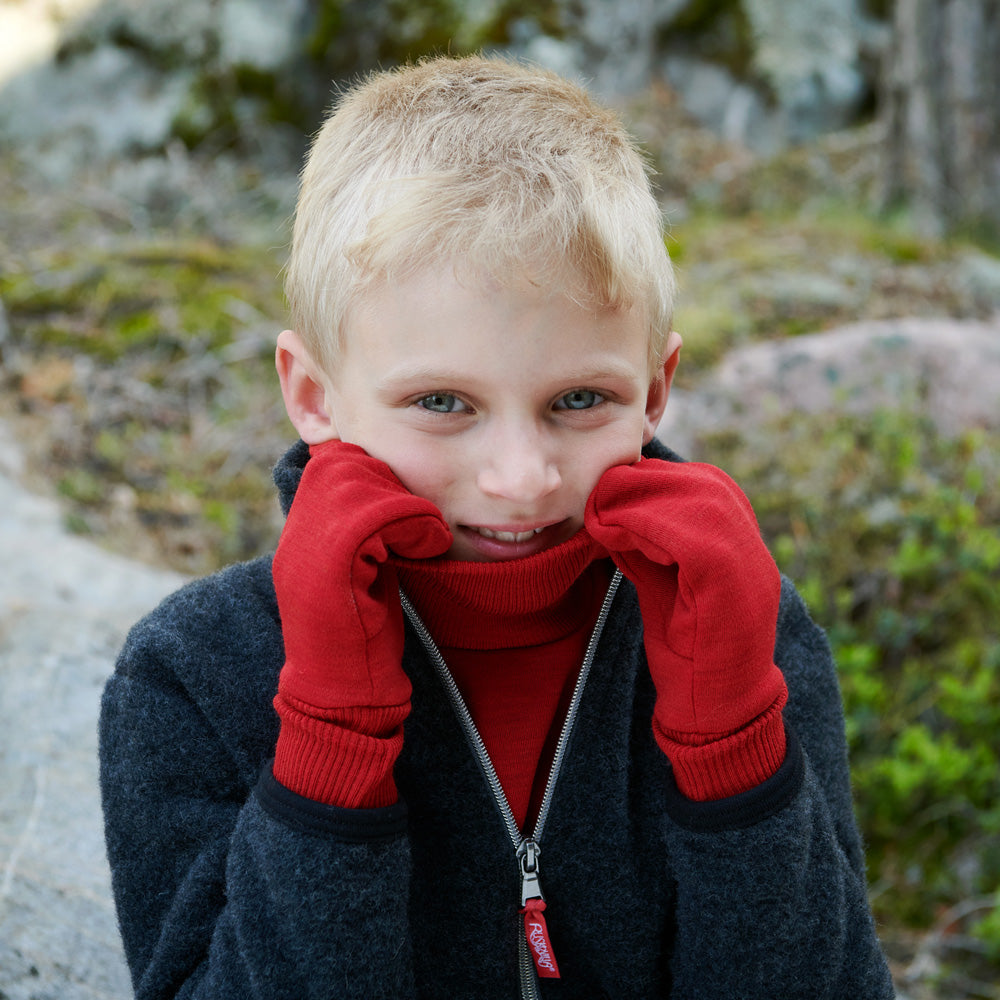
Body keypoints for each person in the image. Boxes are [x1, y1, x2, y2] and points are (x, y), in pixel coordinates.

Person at [99, 54, 896, 999]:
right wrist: (328, 739)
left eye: (579, 399)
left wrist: (732, 749)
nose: (522, 480)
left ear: (656, 391)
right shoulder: (193, 675)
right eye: (443, 401)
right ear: (314, 396)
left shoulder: (749, 635)